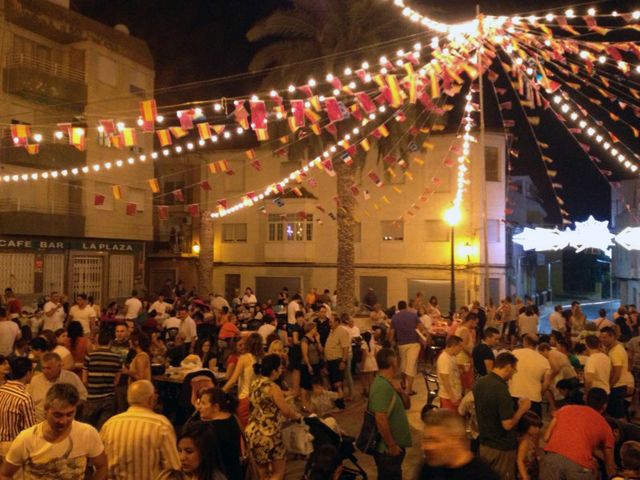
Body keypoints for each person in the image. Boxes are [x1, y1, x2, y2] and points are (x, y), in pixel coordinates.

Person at [0, 383, 107, 480]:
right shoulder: (26, 438)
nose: (63, 421)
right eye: (57, 415)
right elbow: (5, 474)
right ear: (46, 410)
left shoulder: (88, 433)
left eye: (69, 414)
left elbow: (102, 466)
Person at [100, 380, 180, 480]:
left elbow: (99, 464)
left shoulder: (109, 424)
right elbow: (173, 466)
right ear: (151, 399)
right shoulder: (161, 425)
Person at [474, 351, 532, 480]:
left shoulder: (480, 382)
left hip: (485, 443)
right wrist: (522, 409)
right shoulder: (500, 388)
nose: (512, 375)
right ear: (508, 367)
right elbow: (507, 424)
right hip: (501, 447)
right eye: (514, 370)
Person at [245, 354, 302, 480]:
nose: (281, 371)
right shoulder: (273, 387)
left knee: (261, 471)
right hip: (269, 433)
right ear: (274, 370)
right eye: (279, 368)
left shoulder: (255, 382)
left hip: (253, 431)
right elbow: (286, 411)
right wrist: (297, 416)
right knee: (279, 469)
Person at [541, 387, 616, 478]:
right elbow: (610, 465)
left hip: (552, 459)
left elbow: (546, 437)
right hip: (579, 466)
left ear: (585, 398)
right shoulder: (605, 426)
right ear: (604, 406)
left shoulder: (565, 409)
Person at [417, 408, 499, 479]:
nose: (426, 447)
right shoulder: (429, 468)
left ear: (456, 440)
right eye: (426, 440)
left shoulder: (484, 476)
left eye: (435, 440)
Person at [369, 348, 411, 480]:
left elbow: (407, 406)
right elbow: (380, 419)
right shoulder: (381, 386)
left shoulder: (389, 383)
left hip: (394, 447)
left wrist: (401, 391)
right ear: (393, 363)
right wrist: (392, 445)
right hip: (387, 450)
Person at [195, 387, 242, 480]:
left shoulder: (210, 428)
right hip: (235, 473)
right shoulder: (232, 418)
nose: (199, 407)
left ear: (216, 407)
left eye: (203, 403)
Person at [27, 351, 88, 421]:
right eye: (43, 368)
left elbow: (83, 396)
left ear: (59, 366)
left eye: (49, 368)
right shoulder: (35, 380)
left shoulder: (71, 378)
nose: (45, 371)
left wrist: (69, 407)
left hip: (65, 421)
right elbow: (29, 401)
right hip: (40, 422)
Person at [82, 329, 122, 430]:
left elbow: (84, 380)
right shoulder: (117, 358)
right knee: (103, 429)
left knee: (88, 429)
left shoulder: (90, 356)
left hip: (92, 397)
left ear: (97, 341)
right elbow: (116, 382)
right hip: (109, 398)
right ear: (110, 342)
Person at [222, 332, 263, 428]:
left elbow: (232, 380)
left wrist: (220, 392)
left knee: (244, 429)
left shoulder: (244, 358)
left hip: (245, 397)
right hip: (259, 396)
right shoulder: (262, 358)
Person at [0, 357, 36, 458]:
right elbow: (29, 429)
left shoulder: (1, 390)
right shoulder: (24, 397)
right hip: (12, 446)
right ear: (28, 373)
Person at [509, 335, 552, 417]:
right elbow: (547, 383)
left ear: (525, 342)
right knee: (532, 425)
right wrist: (540, 392)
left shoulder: (514, 353)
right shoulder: (544, 360)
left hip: (514, 393)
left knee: (514, 424)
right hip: (534, 397)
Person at [389, 300, 426, 396]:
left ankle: (403, 383)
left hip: (401, 343)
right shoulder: (413, 315)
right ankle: (409, 389)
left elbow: (392, 332)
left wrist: (390, 343)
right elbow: (421, 327)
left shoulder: (394, 317)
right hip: (413, 342)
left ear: (398, 307)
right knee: (411, 366)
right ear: (405, 306)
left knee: (404, 364)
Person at [601, 326, 631, 418]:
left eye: (604, 338)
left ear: (612, 337)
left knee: (617, 415)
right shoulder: (612, 349)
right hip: (617, 386)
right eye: (601, 338)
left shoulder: (616, 352)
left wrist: (609, 387)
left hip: (617, 386)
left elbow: (617, 373)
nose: (602, 340)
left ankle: (622, 431)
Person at [324, 314, 351, 408]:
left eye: (331, 321)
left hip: (338, 360)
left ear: (337, 322)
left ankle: (340, 405)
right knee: (332, 383)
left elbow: (345, 348)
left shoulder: (342, 331)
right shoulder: (332, 331)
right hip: (331, 361)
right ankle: (335, 403)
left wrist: (343, 361)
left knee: (337, 383)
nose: (329, 323)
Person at [437, 336, 463, 411]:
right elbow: (445, 380)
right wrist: (452, 397)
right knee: (449, 420)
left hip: (456, 394)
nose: (461, 349)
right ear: (454, 346)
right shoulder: (444, 359)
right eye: (460, 346)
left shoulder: (452, 357)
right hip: (448, 397)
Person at [300, 322, 323, 408]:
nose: (316, 330)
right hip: (307, 364)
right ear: (311, 329)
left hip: (316, 363)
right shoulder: (304, 340)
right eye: (315, 328)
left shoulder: (314, 338)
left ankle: (313, 403)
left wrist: (318, 340)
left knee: (315, 384)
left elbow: (321, 350)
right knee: (305, 385)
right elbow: (304, 354)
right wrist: (308, 365)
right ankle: (304, 404)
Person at [454, 313, 477, 392]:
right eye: (476, 323)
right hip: (463, 360)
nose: (476, 325)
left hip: (460, 359)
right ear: (471, 321)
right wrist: (472, 353)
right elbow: (462, 345)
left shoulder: (460, 328)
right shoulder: (465, 330)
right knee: (466, 385)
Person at [516, 411, 542, 480]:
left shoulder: (529, 438)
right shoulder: (525, 442)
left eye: (539, 426)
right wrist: (525, 476)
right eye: (535, 426)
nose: (538, 429)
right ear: (526, 426)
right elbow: (519, 460)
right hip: (525, 471)